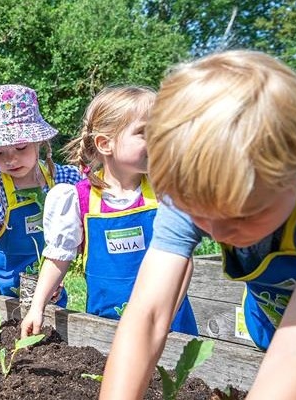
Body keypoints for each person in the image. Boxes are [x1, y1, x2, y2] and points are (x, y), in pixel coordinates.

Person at [100, 50, 296, 400]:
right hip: (272, 329)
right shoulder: (190, 186)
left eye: (244, 215)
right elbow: (148, 315)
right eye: (198, 214)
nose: (220, 234)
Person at [20, 86, 198, 340]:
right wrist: (37, 307)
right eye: (145, 133)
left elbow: (183, 261)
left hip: (170, 326)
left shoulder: (163, 194)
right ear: (105, 144)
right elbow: (58, 257)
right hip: (104, 326)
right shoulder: (79, 199)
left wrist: (164, 320)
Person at [0, 84, 83, 349]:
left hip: (52, 302)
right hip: (7, 303)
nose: (11, 160)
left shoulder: (65, 181)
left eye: (20, 147)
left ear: (40, 141)